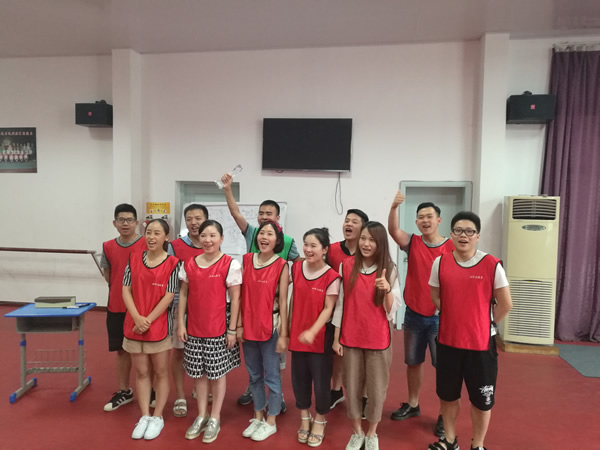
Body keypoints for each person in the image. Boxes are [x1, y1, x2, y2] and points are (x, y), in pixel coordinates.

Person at [428, 211, 512, 450]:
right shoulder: (440, 262)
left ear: (477, 236)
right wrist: (455, 315)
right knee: (448, 396)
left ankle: (478, 445)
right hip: (448, 342)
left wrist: (487, 324)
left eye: (469, 231)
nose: (463, 236)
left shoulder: (491, 265)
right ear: (451, 234)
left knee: (482, 401)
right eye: (458, 231)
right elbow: (435, 295)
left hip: (480, 346)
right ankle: (450, 440)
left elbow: (506, 303)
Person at [221, 171, 300, 407]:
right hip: (251, 307)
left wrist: (286, 281)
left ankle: (277, 397)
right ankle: (255, 393)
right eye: (261, 213)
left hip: (272, 310)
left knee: (275, 361)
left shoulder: (287, 242)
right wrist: (228, 189)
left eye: (269, 214)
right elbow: (235, 213)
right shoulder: (252, 233)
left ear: (278, 218)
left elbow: (298, 264)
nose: (264, 217)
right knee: (254, 361)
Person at [387, 192, 454, 437]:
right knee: (413, 362)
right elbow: (393, 230)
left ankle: (444, 414)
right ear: (416, 222)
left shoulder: (451, 246)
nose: (425, 220)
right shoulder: (413, 242)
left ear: (439, 220)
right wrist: (394, 207)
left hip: (441, 317)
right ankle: (413, 404)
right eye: (421, 217)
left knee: (444, 367)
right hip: (414, 314)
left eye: (429, 216)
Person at [332, 221, 401, 450]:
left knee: (376, 389)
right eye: (363, 238)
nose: (366, 244)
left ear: (380, 243)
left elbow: (392, 310)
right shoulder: (346, 265)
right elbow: (340, 303)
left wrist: (387, 290)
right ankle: (357, 432)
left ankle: (372, 433)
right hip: (351, 337)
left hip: (378, 340)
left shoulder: (389, 268)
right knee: (351, 387)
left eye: (372, 239)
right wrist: (336, 337)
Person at [177, 220, 242, 444]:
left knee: (217, 374)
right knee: (198, 374)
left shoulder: (230, 264)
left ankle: (215, 417)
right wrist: (181, 323)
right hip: (194, 328)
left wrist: (232, 330)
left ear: (221, 238)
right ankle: (202, 415)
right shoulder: (189, 264)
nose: (208, 240)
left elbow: (236, 299)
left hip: (219, 328)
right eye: (204, 235)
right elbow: (183, 295)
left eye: (213, 235)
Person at [122, 219, 180, 440]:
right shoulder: (134, 258)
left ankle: (158, 416)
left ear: (166, 237)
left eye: (157, 233)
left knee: (161, 371)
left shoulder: (173, 263)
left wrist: (147, 320)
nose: (151, 237)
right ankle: (145, 415)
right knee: (141, 372)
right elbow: (126, 290)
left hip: (159, 326)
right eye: (148, 232)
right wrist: (137, 318)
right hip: (134, 325)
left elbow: (169, 296)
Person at [238, 220, 289, 442]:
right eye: (261, 233)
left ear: (277, 240)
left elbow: (284, 302)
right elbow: (240, 296)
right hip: (248, 326)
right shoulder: (246, 260)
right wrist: (238, 325)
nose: (264, 237)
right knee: (254, 375)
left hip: (271, 328)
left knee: (272, 377)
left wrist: (284, 334)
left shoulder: (282, 265)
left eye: (269, 234)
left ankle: (271, 421)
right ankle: (258, 416)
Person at [289, 228, 341, 447]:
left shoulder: (332, 277)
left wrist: (312, 331)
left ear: (325, 249)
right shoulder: (296, 268)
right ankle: (304, 417)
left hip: (320, 338)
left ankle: (320, 419)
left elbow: (329, 309)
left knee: (321, 382)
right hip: (297, 335)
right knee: (299, 379)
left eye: (313, 246)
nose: (308, 250)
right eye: (306, 245)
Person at [101, 203, 147, 412]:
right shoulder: (108, 246)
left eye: (129, 220)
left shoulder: (147, 243)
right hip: (116, 306)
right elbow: (108, 275)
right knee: (121, 350)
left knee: (146, 351)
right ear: (114, 223)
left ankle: (150, 390)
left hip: (143, 308)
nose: (125, 224)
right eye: (121, 220)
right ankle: (124, 390)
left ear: (137, 223)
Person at [167, 203, 208, 418]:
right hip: (180, 306)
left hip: (206, 308)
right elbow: (171, 277)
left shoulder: (211, 244)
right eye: (189, 219)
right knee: (180, 351)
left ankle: (198, 387)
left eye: (198, 218)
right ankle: (180, 396)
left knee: (203, 351)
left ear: (206, 220)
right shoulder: (175, 246)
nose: (194, 223)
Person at [327, 208, 369, 410]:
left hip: (362, 312)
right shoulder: (332, 250)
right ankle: (336, 391)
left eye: (354, 221)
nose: (348, 224)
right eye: (347, 220)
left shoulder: (368, 251)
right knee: (336, 353)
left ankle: (364, 396)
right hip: (337, 309)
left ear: (364, 228)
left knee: (364, 356)